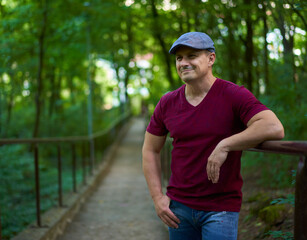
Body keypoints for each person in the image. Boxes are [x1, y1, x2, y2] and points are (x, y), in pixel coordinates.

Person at [142, 32, 284, 240]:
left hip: (221, 209)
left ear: (211, 59)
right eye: (179, 58)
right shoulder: (168, 102)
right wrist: (157, 198)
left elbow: (273, 127)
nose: (183, 63)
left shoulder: (233, 94)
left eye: (191, 56)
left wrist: (225, 145)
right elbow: (150, 149)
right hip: (178, 209)